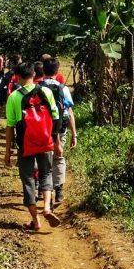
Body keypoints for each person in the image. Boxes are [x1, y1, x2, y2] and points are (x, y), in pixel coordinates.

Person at [4, 61, 62, 231]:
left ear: (17, 77)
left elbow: (10, 126)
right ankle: (46, 208)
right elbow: (55, 118)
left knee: (28, 180)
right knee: (46, 173)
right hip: (45, 141)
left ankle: (36, 221)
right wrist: (56, 142)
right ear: (34, 75)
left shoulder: (14, 97)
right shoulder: (46, 91)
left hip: (25, 145)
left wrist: (8, 152)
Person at [41, 57, 77, 206]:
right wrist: (74, 133)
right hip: (60, 129)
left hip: (42, 130)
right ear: (57, 71)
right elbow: (69, 112)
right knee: (58, 158)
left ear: (43, 70)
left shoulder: (38, 88)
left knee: (44, 161)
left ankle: (43, 191)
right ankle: (59, 190)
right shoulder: (63, 89)